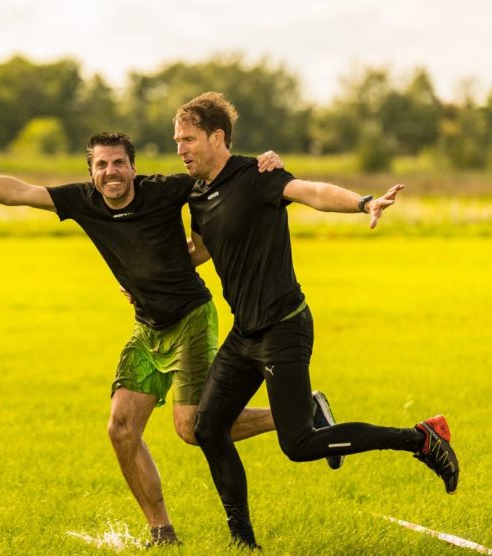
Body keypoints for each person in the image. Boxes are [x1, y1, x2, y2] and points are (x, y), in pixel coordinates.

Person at [0, 135, 331, 547]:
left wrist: (265, 160)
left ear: (133, 167)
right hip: (147, 327)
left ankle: (296, 413)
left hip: (190, 318)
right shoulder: (85, 202)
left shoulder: (166, 190)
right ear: (91, 173)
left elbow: (223, 174)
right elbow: (17, 192)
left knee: (191, 428)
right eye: (101, 165)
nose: (110, 172)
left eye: (118, 163)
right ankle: (162, 532)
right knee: (121, 428)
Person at [174, 92, 459, 549]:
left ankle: (421, 438)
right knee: (207, 429)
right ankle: (241, 540)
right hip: (245, 332)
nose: (181, 149)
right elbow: (202, 251)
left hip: (284, 326)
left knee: (299, 445)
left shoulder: (257, 175)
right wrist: (150, 276)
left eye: (188, 139)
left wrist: (363, 202)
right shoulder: (197, 195)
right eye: (177, 141)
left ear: (217, 137)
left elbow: (312, 192)